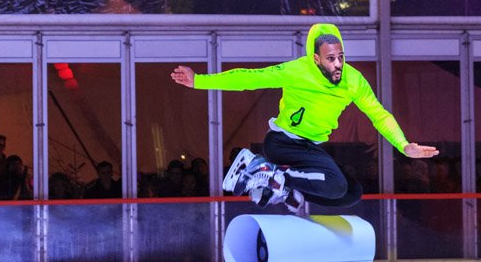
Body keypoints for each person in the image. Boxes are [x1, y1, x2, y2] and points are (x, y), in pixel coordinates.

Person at [171, 23, 438, 214]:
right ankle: (264, 169)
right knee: (335, 184)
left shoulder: (353, 81)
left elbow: (378, 114)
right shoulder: (297, 70)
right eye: (331, 59)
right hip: (282, 142)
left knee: (351, 193)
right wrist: (199, 81)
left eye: (341, 58)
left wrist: (403, 145)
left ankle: (285, 188)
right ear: (316, 59)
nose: (337, 65)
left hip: (309, 148)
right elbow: (250, 78)